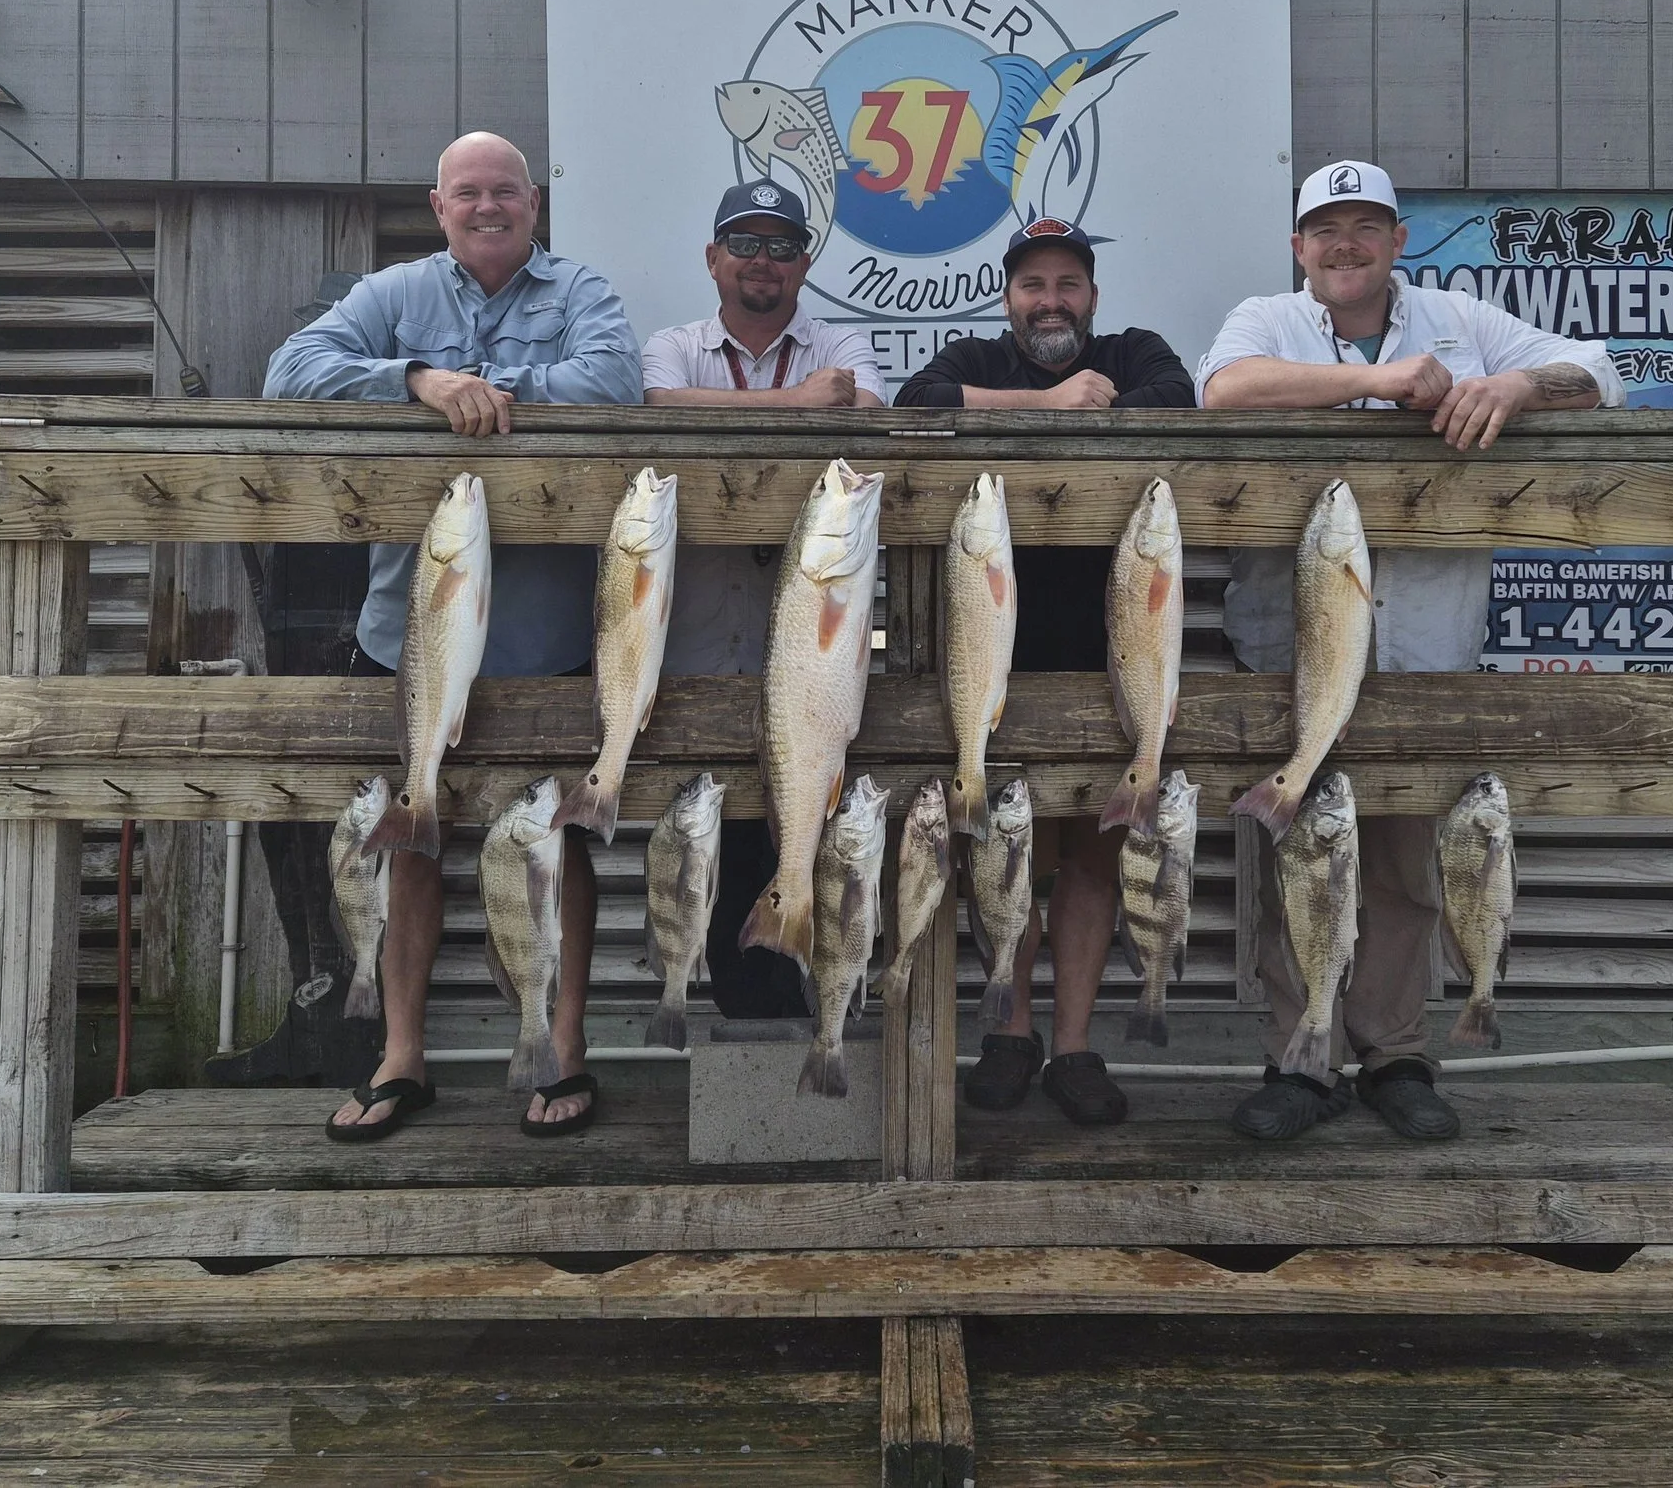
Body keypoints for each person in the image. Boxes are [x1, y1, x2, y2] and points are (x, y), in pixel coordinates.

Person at [1198, 160, 1622, 1144]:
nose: (1344, 244)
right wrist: (1377, 381)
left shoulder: (1462, 321)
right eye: (1324, 229)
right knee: (1294, 861)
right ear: (1298, 249)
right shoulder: (1266, 321)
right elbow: (1224, 391)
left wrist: (1517, 384)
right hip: (1288, 651)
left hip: (1426, 646)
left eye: (1364, 226)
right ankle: (1299, 1059)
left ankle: (1394, 1056)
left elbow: (1603, 371)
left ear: (1397, 239)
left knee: (1401, 868)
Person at [264, 131, 642, 1141]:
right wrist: (423, 382)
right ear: (438, 205)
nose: (487, 206)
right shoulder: (395, 296)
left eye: (505, 192)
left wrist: (498, 400)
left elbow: (613, 384)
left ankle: (562, 1050)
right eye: (467, 192)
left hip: (547, 630)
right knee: (414, 843)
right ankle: (400, 1056)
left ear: (534, 203)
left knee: (556, 839)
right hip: (412, 629)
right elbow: (289, 370)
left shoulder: (581, 293)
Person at [895, 215, 1196, 1126]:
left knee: (1094, 858)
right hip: (990, 659)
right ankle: (1008, 1033)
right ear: (1007, 297)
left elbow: (1176, 401)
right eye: (1034, 285)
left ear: (1093, 296)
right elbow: (914, 404)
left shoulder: (1133, 350)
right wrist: (1052, 404)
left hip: (1114, 655)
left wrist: (1083, 399)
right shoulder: (973, 360)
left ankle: (1074, 1045)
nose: (1051, 300)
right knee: (1002, 852)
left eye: (1068, 283)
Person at [641, 179, 886, 1020]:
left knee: (832, 850)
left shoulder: (843, 338)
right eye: (744, 242)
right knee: (724, 858)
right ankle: (749, 1061)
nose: (763, 261)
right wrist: (798, 405)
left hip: (821, 676)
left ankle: (836, 1029)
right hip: (701, 662)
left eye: (783, 246)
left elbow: (869, 412)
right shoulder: (672, 344)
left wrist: (816, 406)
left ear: (805, 263)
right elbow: (656, 407)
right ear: (712, 258)